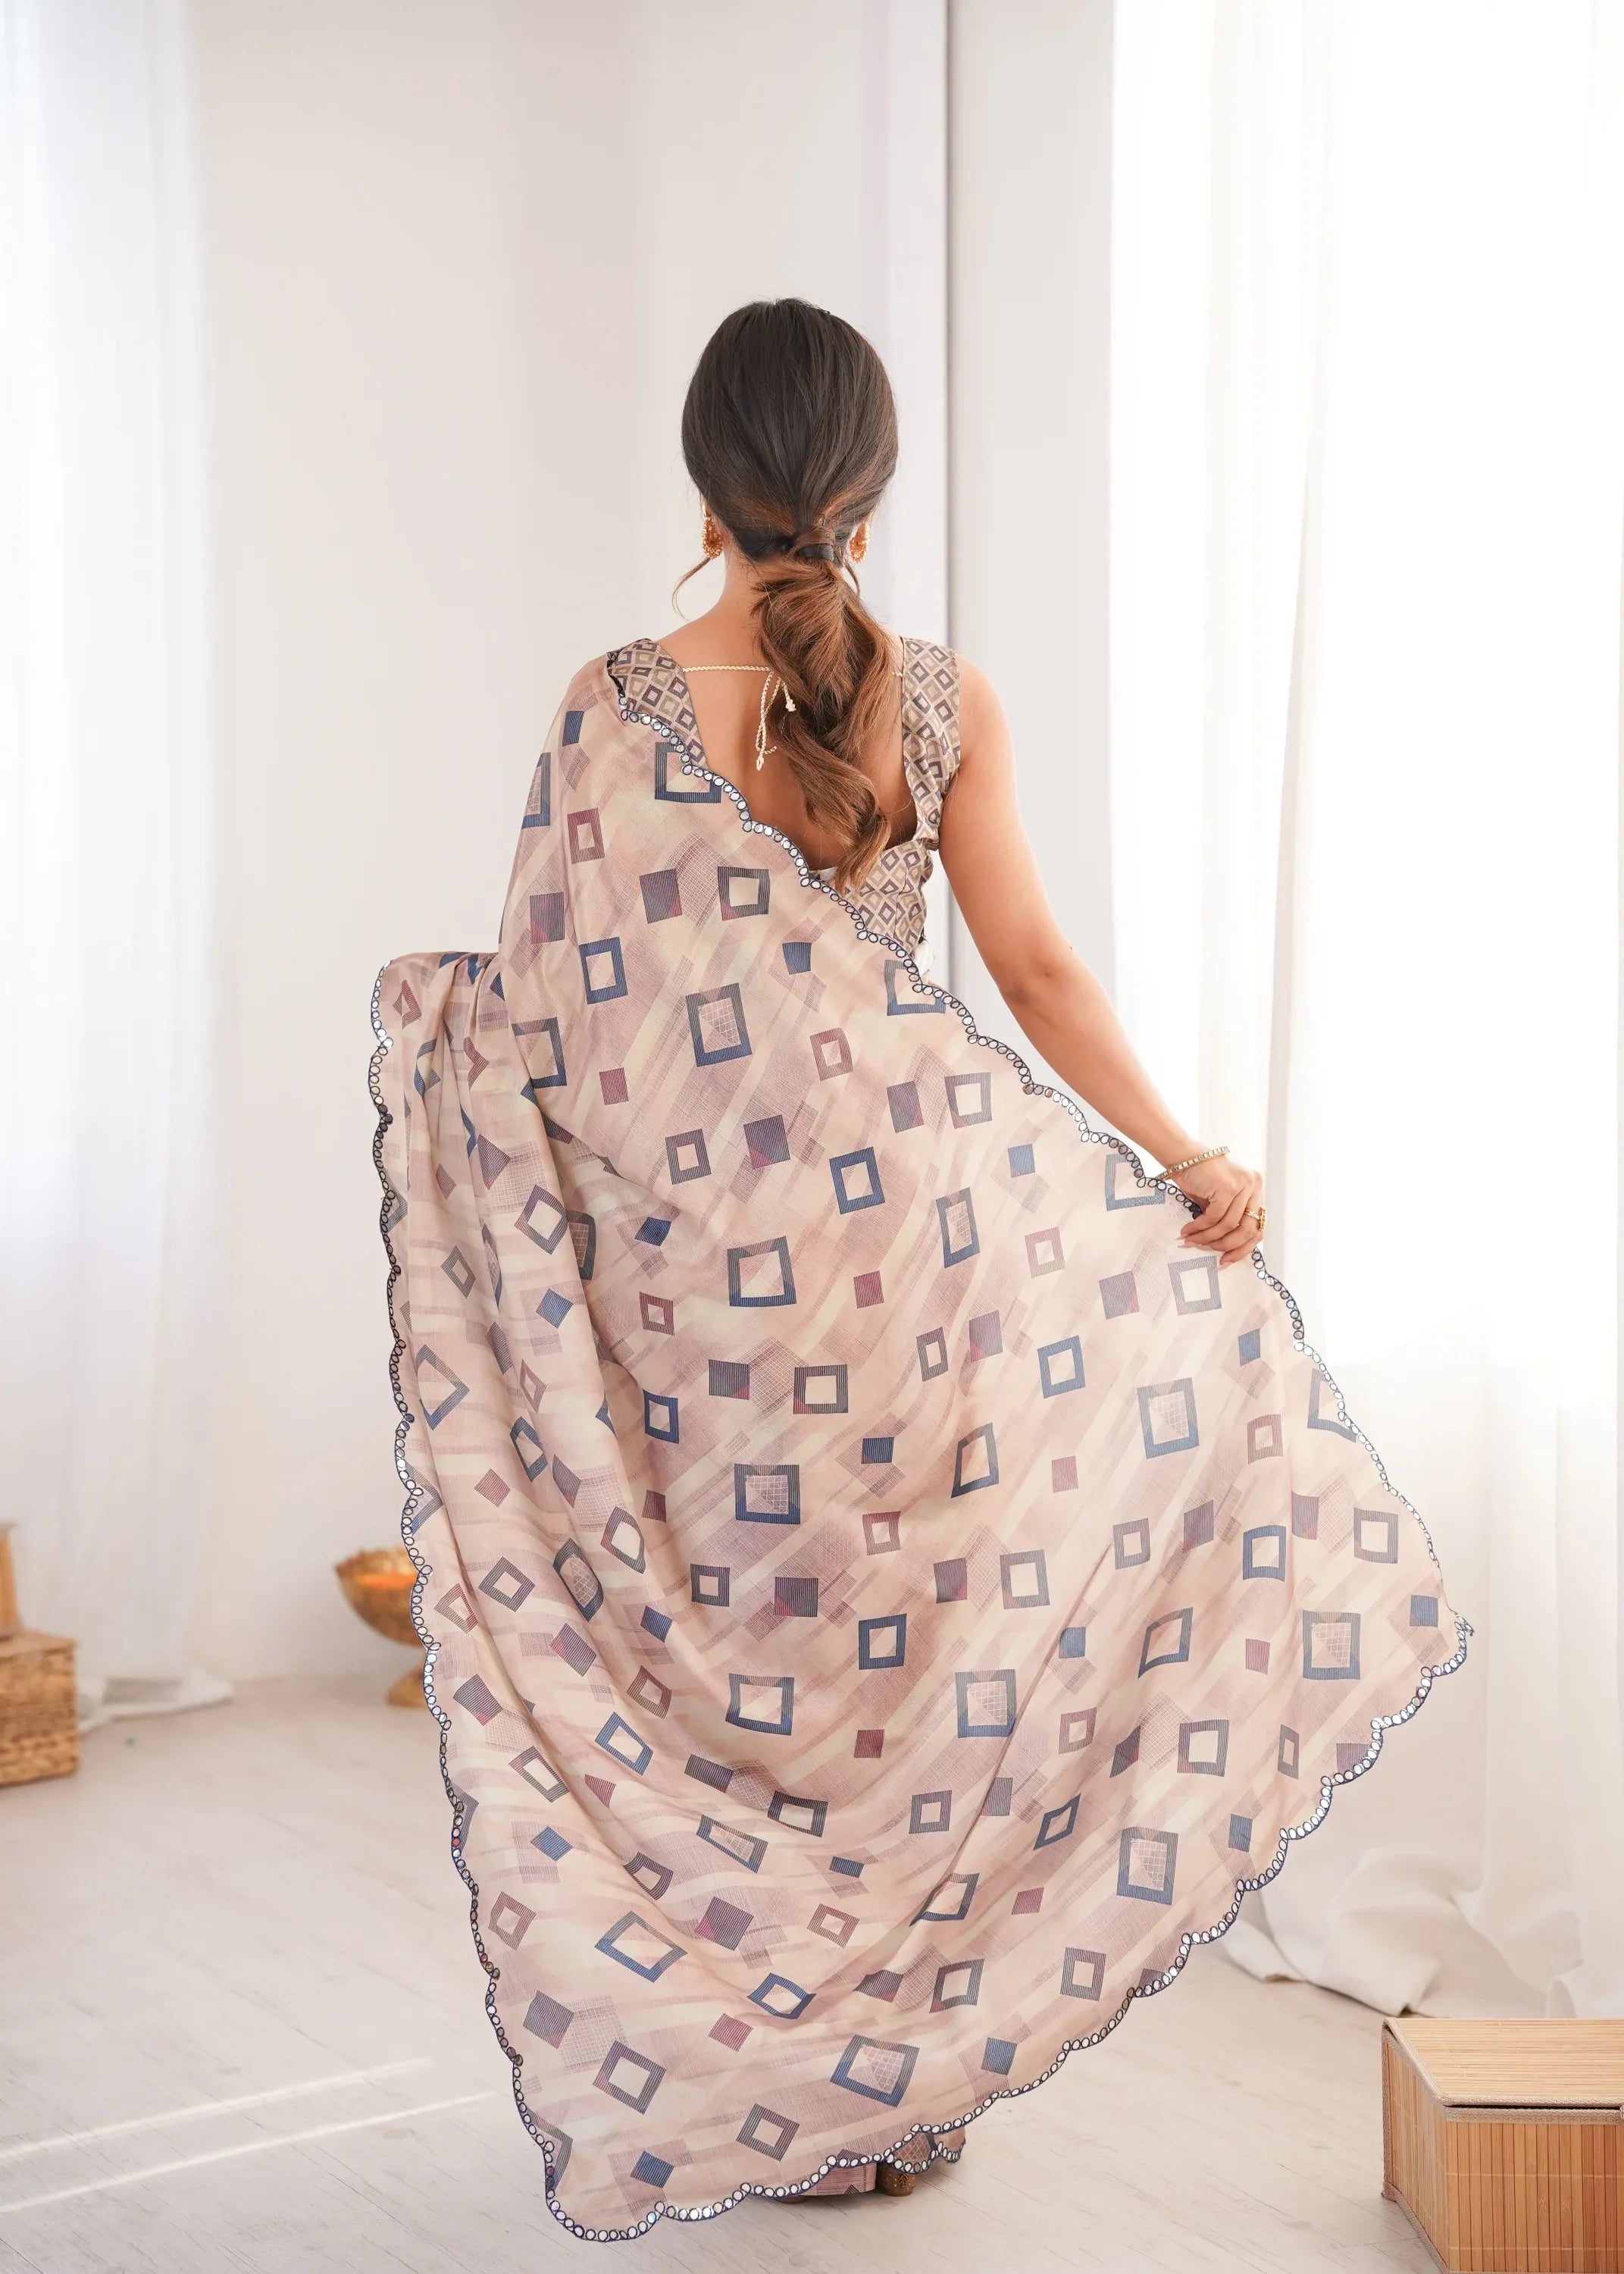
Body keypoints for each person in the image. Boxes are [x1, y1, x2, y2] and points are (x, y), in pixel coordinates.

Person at [371, 298, 1466, 2241]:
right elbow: (1034, 975)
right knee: (904, 1704)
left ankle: (764, 2075)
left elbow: (546, 1031)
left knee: (742, 1696)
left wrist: (434, 1022)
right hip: (921, 1282)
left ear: (699, 484)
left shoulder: (609, 708)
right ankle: (887, 2090)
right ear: (874, 491)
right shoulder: (941, 699)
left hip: (698, 1315)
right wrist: (1182, 1156)